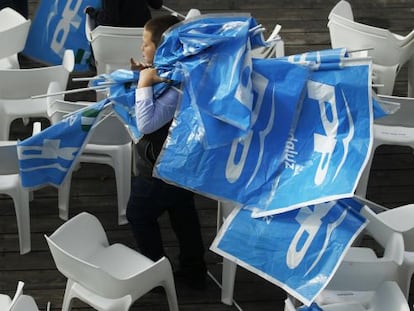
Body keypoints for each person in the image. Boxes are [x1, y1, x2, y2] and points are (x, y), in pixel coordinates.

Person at [126, 15, 208, 290]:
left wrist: (143, 84)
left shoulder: (176, 87)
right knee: (182, 211)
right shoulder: (180, 70)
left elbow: (146, 122)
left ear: (162, 48)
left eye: (145, 43)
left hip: (160, 166)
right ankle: (195, 270)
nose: (141, 48)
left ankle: (156, 272)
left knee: (138, 214)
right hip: (183, 163)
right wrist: (149, 72)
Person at [85, 0, 163, 28]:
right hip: (141, 36)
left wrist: (92, 12)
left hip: (116, 38)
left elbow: (110, 19)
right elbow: (157, 4)